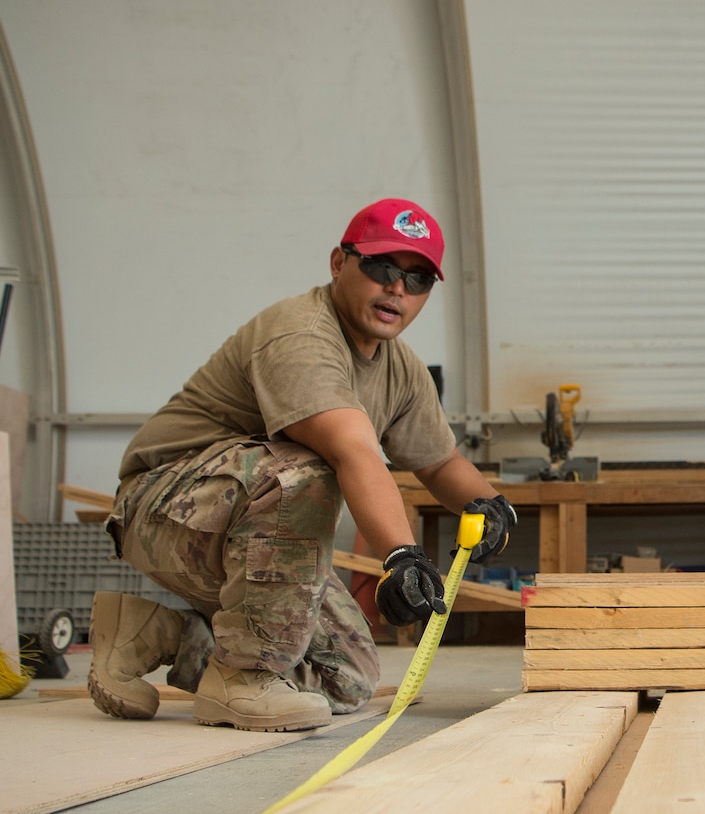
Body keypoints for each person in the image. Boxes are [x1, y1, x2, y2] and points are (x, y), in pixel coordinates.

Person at [88, 198, 516, 732]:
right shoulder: (302, 335)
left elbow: (440, 461)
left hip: (240, 520)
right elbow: (350, 451)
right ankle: (243, 680)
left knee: (346, 676)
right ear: (339, 263)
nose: (398, 289)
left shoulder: (400, 367)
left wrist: (491, 505)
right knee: (304, 476)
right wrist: (401, 555)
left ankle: (154, 633)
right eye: (382, 268)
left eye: (419, 278)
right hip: (162, 508)